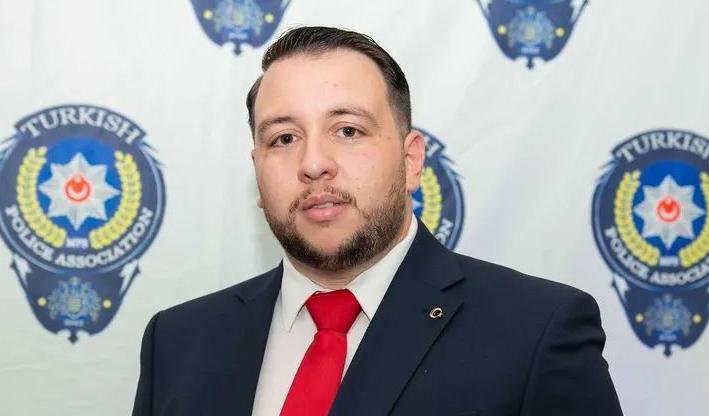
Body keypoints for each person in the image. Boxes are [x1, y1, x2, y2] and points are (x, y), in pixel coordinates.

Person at [132, 26, 623, 416]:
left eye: (348, 130)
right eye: (283, 138)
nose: (314, 162)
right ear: (257, 169)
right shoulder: (178, 342)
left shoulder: (536, 332)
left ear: (411, 161)